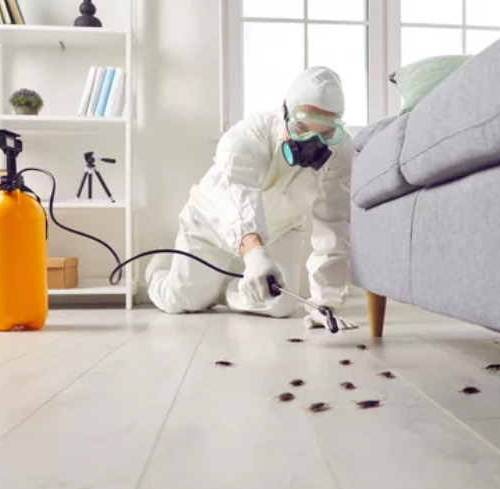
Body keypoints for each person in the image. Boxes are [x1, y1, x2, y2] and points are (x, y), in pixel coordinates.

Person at [146, 67, 355, 330]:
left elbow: (334, 224)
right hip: (211, 224)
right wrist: (255, 253)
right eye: (301, 128)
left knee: (281, 304)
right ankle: (160, 268)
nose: (311, 144)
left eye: (325, 134)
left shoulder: (341, 150)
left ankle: (224, 290)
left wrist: (326, 302)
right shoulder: (247, 136)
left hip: (283, 228)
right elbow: (239, 194)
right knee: (180, 300)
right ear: (285, 113)